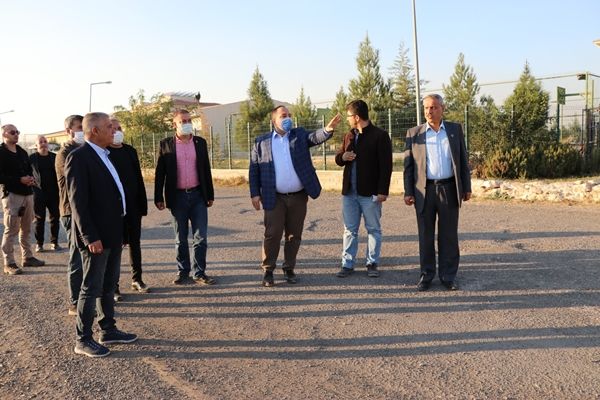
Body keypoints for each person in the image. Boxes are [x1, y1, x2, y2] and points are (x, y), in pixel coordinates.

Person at [66, 112, 137, 358]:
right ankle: (83, 339)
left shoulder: (105, 155)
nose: (114, 130)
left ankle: (108, 329)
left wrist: (122, 231)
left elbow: (115, 195)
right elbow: (78, 203)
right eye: (109, 127)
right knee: (91, 287)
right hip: (96, 237)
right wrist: (89, 236)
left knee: (108, 284)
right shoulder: (79, 157)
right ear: (95, 130)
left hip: (112, 232)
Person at [249, 105, 341, 287]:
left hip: (298, 196)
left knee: (294, 235)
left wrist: (327, 129)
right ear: (274, 120)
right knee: (272, 234)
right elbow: (254, 170)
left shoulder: (298, 135)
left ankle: (289, 268)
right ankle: (268, 270)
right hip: (274, 197)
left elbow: (314, 137)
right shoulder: (261, 142)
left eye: (289, 115)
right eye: (283, 115)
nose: (288, 118)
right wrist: (254, 194)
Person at [403, 94, 472, 291]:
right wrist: (408, 191)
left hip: (449, 189)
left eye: (433, 107)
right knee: (425, 235)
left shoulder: (454, 130)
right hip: (424, 192)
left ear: (442, 108)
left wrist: (466, 187)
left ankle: (448, 276)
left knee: (448, 235)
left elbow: (462, 160)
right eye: (426, 108)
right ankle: (426, 275)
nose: (429, 111)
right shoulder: (414, 134)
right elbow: (408, 167)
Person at [154, 109, 215, 285]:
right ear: (174, 125)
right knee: (180, 239)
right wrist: (158, 197)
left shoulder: (200, 143)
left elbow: (206, 169)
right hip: (177, 197)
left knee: (200, 237)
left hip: (198, 196)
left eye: (189, 120)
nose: (187, 123)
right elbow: (160, 173)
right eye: (183, 121)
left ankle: (199, 272)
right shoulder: (166, 144)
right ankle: (183, 271)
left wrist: (210, 194)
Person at [334, 100, 392, 278]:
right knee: (349, 230)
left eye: (349, 116)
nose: (348, 119)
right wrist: (343, 156)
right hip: (349, 193)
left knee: (373, 229)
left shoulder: (380, 136)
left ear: (357, 117)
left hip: (370, 193)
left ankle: (372, 263)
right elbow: (338, 158)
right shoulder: (349, 135)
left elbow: (386, 166)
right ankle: (347, 264)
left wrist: (383, 191)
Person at [108, 117, 149, 298]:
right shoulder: (104, 152)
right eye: (113, 128)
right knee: (116, 247)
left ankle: (137, 279)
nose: (117, 131)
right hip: (114, 208)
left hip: (133, 206)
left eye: (119, 128)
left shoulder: (130, 151)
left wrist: (142, 204)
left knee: (135, 243)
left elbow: (138, 178)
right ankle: (113, 286)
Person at [0, 124, 45, 275]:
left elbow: (28, 170)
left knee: (26, 228)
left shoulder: (22, 152)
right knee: (11, 229)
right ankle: (9, 263)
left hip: (28, 194)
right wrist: (19, 180)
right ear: (4, 135)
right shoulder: (1, 152)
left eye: (17, 132)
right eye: (12, 132)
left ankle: (28, 257)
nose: (16, 134)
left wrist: (30, 178)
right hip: (12, 195)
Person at [55, 114, 85, 315]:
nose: (83, 130)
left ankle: (88, 297)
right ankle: (75, 302)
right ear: (69, 131)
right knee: (76, 257)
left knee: (88, 257)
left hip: (83, 210)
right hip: (70, 211)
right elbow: (77, 179)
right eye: (79, 127)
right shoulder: (65, 153)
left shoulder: (84, 149)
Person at [30, 135, 61, 253]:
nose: (43, 144)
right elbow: (26, 172)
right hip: (38, 193)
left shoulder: (54, 157)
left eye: (45, 141)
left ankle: (54, 242)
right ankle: (39, 244)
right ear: (36, 145)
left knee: (55, 218)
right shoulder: (32, 158)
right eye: (40, 142)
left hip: (54, 193)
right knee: (39, 219)